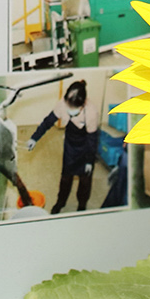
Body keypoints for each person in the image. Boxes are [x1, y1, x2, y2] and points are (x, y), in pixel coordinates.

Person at [28, 78, 99, 213]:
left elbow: (92, 140)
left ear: (83, 104)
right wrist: (34, 138)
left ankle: (82, 205)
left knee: (85, 180)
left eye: (74, 109)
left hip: (86, 147)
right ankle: (60, 202)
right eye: (68, 106)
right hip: (70, 146)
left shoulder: (91, 112)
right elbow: (48, 122)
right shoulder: (62, 104)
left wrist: (90, 161)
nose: (69, 111)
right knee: (66, 176)